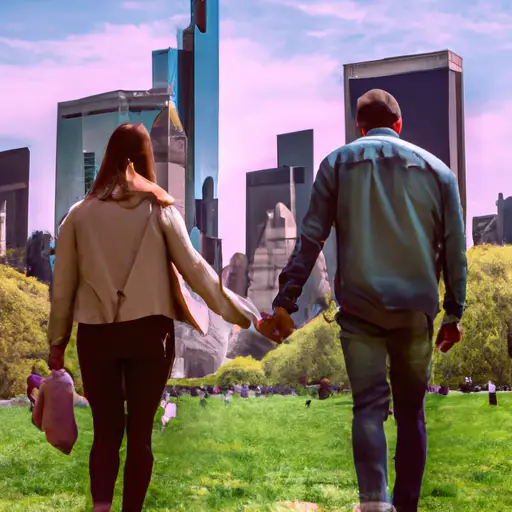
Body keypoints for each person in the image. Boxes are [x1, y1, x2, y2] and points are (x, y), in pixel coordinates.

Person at [257, 89, 467, 512]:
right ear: (399, 123)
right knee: (412, 416)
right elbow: (455, 248)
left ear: (359, 126)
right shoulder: (440, 172)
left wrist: (286, 301)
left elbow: (311, 238)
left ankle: (373, 504)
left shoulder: (336, 163)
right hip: (415, 310)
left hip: (361, 309)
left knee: (368, 408)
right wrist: (454, 313)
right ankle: (405, 506)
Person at [47, 122, 259, 512]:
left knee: (107, 433)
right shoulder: (162, 210)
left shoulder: (77, 216)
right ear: (145, 160)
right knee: (141, 433)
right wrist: (241, 314)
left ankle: (101, 508)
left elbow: (62, 291)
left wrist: (57, 343)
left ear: (108, 157)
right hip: (151, 336)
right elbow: (198, 271)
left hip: (97, 336)